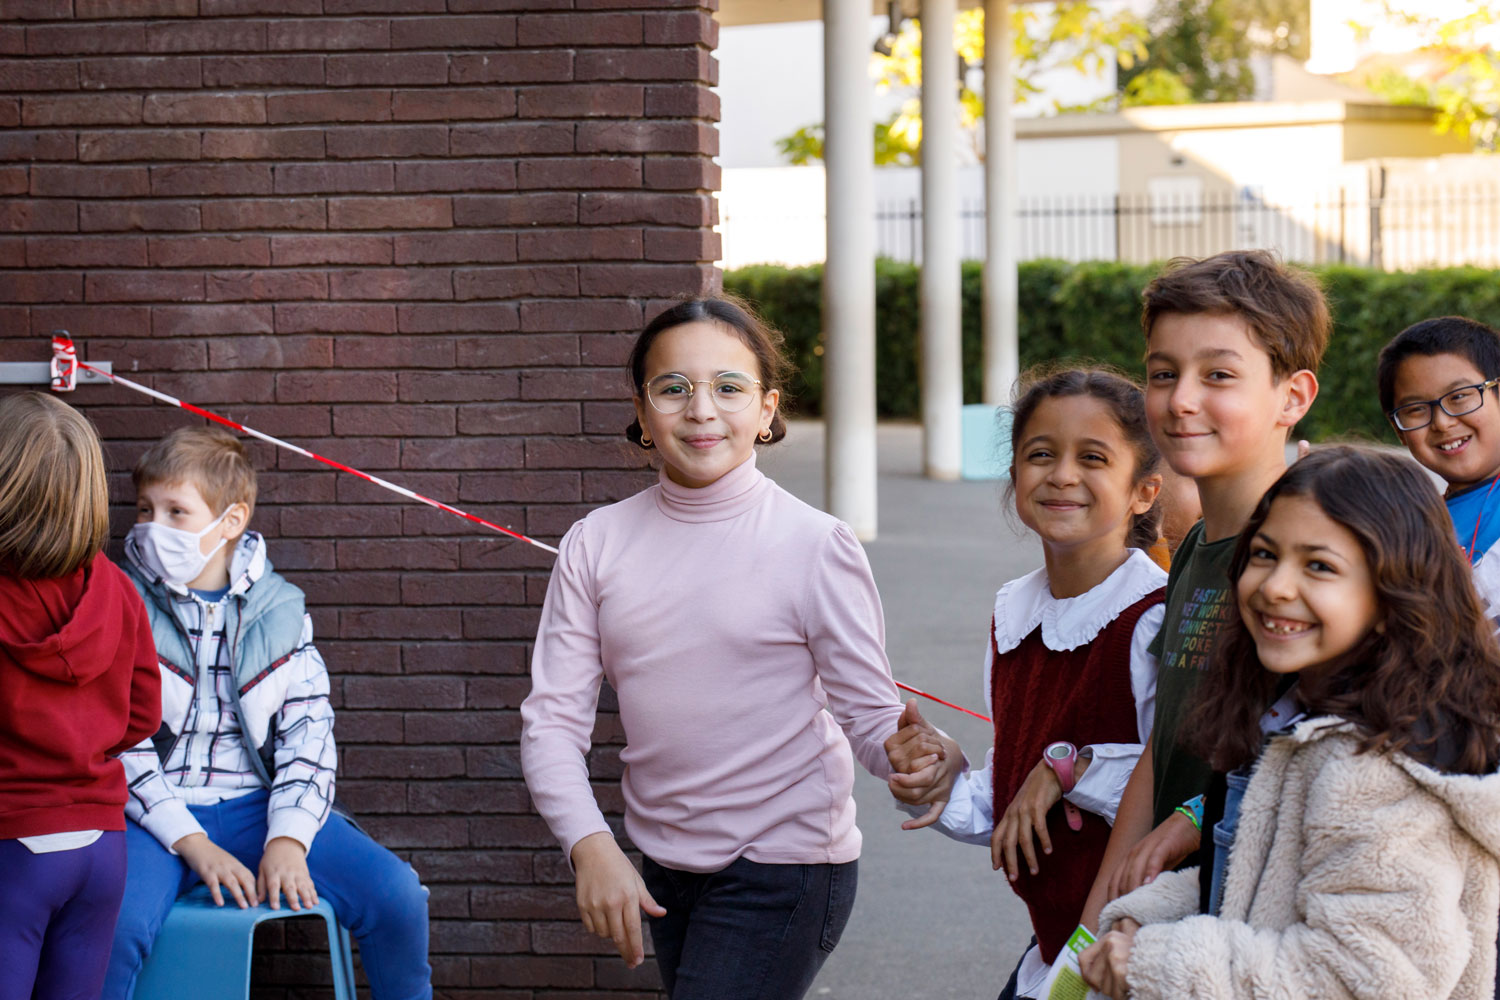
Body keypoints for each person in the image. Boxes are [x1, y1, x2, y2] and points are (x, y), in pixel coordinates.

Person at [519, 297, 958, 1000]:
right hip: (664, 865)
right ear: (641, 409)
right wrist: (590, 844)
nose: (701, 410)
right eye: (674, 388)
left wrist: (916, 754)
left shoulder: (815, 545)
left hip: (787, 868)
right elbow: (551, 724)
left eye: (729, 387)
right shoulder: (593, 544)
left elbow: (875, 723)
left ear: (767, 409)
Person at [1080, 446, 1500, 1000]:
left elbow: (1367, 977)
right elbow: (1268, 878)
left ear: (1396, 588)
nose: (1276, 586)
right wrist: (1151, 914)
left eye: (1319, 565)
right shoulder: (1302, 716)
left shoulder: (1377, 771)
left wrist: (1156, 959)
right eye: (1264, 554)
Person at [103, 426, 432, 1000]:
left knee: (396, 895)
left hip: (261, 807)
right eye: (145, 509)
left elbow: (311, 735)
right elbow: (117, 743)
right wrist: (192, 842)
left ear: (230, 521)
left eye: (176, 511)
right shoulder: (120, 602)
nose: (154, 528)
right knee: (114, 927)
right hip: (154, 817)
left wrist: (289, 839)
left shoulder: (282, 613)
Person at [884, 368, 1166, 1000]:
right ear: (1014, 480)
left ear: (1144, 491)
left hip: (1124, 949)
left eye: (1093, 458)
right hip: (1052, 946)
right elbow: (1014, 811)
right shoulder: (1014, 612)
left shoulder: (1153, 618)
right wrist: (936, 776)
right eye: (1041, 455)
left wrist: (1065, 768)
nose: (1062, 474)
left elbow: (1176, 781)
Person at [1083, 250, 1328, 924]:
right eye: (1163, 373)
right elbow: (1167, 740)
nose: (1182, 399)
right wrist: (1091, 921)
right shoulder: (1194, 544)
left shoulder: (1316, 553)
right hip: (1168, 914)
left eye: (1218, 374)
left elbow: (1340, 739)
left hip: (1255, 919)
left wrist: (1197, 815)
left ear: (1294, 397)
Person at [0, 392, 161, 1000]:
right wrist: (82, 743)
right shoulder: (119, 589)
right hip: (102, 848)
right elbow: (144, 713)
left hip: (14, 843)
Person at [1377, 315, 1500, 617]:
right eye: (1416, 410)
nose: (1443, 423)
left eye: (1459, 397)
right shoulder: (1414, 529)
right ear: (1399, 431)